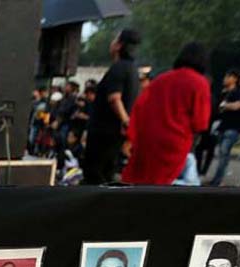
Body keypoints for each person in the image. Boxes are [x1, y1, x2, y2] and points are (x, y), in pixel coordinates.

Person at [122, 43, 211, 185]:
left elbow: (140, 108)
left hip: (148, 139)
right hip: (175, 143)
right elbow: (200, 123)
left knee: (139, 180)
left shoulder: (161, 79)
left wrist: (131, 137)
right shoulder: (200, 83)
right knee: (161, 184)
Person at [82, 29, 141, 185]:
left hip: (104, 132)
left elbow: (115, 98)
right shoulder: (132, 69)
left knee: (94, 173)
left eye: (115, 39)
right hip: (115, 134)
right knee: (107, 173)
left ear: (119, 45)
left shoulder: (119, 68)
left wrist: (125, 121)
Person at [208, 68, 240, 186]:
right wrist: (227, 105)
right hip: (223, 125)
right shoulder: (236, 91)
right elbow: (222, 105)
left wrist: (227, 105)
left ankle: (217, 180)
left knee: (224, 152)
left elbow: (237, 106)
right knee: (221, 153)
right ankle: (216, 179)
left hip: (235, 127)